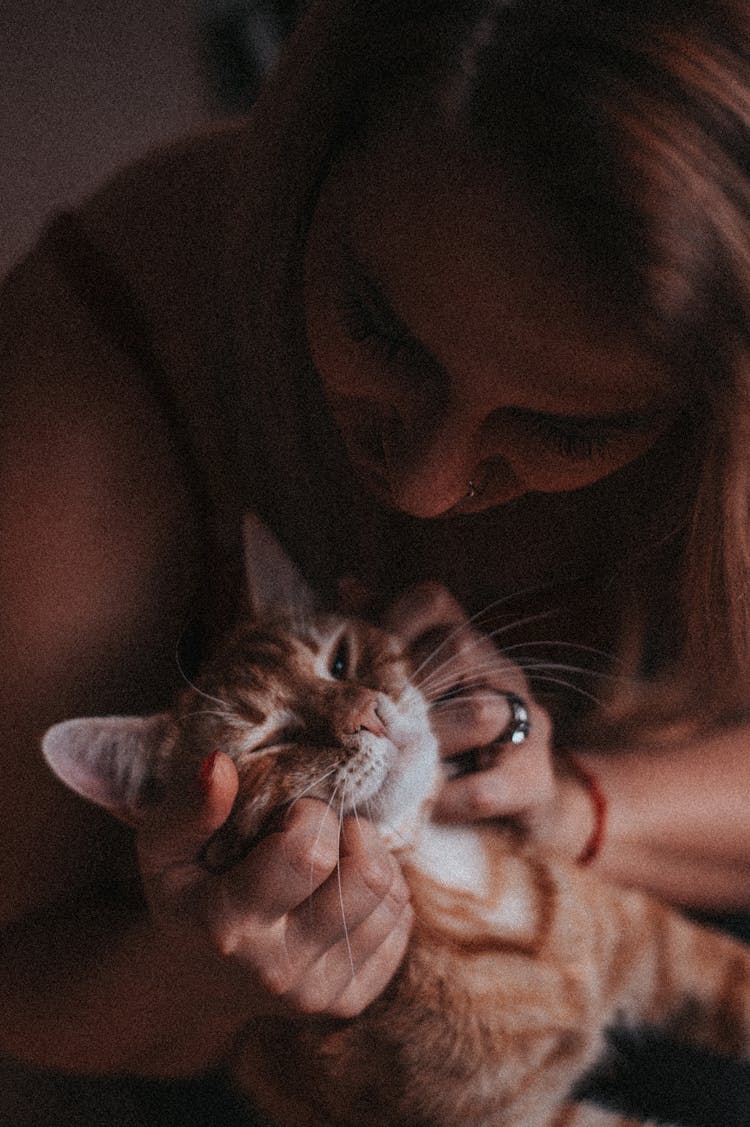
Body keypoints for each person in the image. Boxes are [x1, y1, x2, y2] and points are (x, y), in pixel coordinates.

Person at [2, 0, 750, 1122]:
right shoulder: (93, 371)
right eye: (384, 333)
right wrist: (199, 966)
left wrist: (571, 811)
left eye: (572, 427)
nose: (427, 485)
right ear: (312, 171)